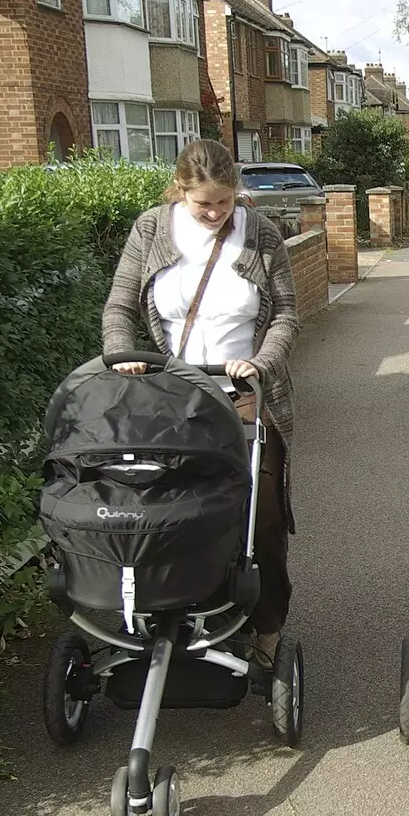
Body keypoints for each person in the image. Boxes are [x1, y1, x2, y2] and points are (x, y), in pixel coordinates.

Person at [102, 138, 300, 669]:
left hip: (244, 398)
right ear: (180, 190)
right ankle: (179, 610)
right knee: (172, 506)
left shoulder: (261, 234)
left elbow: (285, 313)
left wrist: (261, 363)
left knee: (262, 517)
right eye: (202, 204)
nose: (214, 213)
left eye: (224, 202)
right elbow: (120, 305)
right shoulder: (150, 230)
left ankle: (267, 627)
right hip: (170, 397)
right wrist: (123, 355)